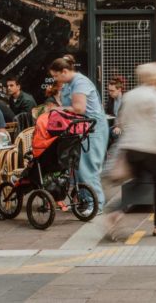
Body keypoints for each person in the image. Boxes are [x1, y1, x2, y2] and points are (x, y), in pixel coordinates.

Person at [106, 63, 156, 237]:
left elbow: (123, 121)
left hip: (131, 146)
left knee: (137, 182)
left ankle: (116, 211)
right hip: (150, 148)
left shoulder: (129, 96)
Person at [50, 56, 109, 212]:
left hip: (92, 128)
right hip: (79, 127)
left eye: (56, 76)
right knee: (77, 166)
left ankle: (95, 205)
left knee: (87, 167)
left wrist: (57, 110)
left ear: (64, 71)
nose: (55, 80)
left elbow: (79, 108)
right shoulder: (69, 84)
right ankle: (84, 200)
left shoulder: (80, 82)